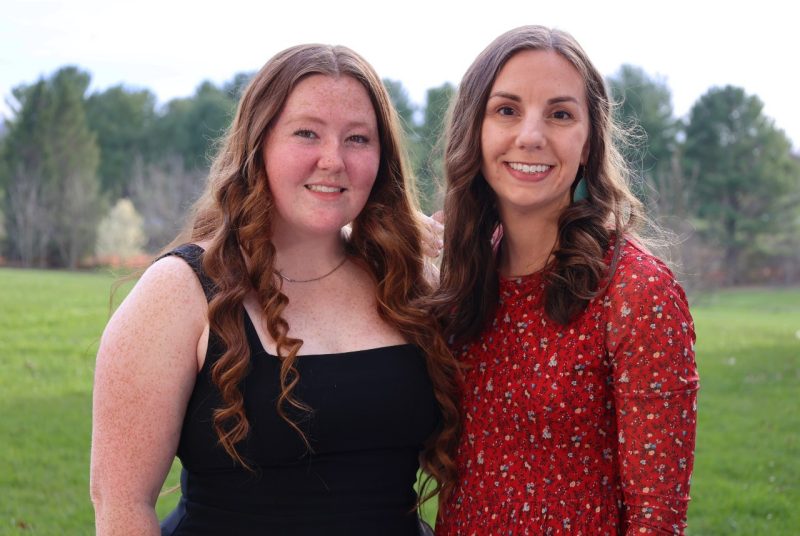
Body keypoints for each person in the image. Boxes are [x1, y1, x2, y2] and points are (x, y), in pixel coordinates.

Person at [90, 44, 460, 536]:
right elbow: (121, 506)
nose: (333, 160)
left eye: (358, 139)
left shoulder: (409, 287)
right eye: (307, 133)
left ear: (381, 159)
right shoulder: (181, 292)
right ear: (258, 143)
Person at [430, 26, 699, 535]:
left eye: (560, 114)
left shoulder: (636, 293)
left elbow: (656, 518)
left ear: (588, 140)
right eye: (506, 110)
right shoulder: (460, 276)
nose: (531, 135)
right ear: (475, 129)